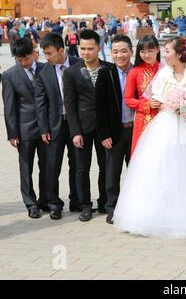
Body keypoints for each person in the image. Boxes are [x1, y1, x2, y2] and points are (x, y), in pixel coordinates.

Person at [113, 37, 186, 238]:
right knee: (158, 168)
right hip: (164, 125)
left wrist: (185, 106)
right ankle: (151, 215)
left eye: (167, 50)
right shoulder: (163, 74)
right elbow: (150, 97)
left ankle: (182, 217)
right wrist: (164, 104)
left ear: (179, 54)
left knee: (185, 170)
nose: (164, 54)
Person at [63, 29, 111, 222]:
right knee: (81, 169)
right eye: (82, 48)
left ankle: (105, 201)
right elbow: (70, 104)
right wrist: (75, 132)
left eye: (90, 48)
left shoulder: (109, 69)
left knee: (105, 166)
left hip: (104, 128)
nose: (86, 52)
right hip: (82, 128)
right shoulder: (71, 72)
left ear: (99, 48)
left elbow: (112, 101)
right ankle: (85, 205)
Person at [34, 33, 82, 219]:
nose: (46, 57)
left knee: (77, 163)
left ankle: (77, 200)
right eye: (44, 54)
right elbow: (40, 103)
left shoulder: (79, 64)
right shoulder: (43, 72)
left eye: (49, 53)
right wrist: (43, 128)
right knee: (52, 165)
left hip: (76, 124)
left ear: (61, 50)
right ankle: (53, 203)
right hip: (54, 126)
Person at [1, 37, 47, 219]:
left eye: (26, 59)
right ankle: (30, 203)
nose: (23, 63)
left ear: (33, 53)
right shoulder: (10, 75)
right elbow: (9, 107)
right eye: (19, 60)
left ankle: (46, 199)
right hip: (24, 130)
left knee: (47, 166)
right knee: (26, 168)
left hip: (46, 129)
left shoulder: (45, 69)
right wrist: (12, 133)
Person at [96, 34, 135, 225]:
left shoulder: (139, 72)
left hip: (136, 131)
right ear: (111, 53)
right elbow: (99, 106)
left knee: (136, 171)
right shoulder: (106, 73)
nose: (120, 55)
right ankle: (112, 207)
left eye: (124, 51)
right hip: (115, 132)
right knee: (112, 173)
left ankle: (135, 206)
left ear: (131, 52)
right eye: (116, 52)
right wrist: (103, 134)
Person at [124, 35, 162, 155]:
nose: (146, 55)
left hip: (165, 117)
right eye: (142, 51)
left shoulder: (167, 69)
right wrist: (147, 104)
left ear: (158, 49)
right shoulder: (134, 72)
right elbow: (128, 99)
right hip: (144, 118)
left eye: (150, 51)